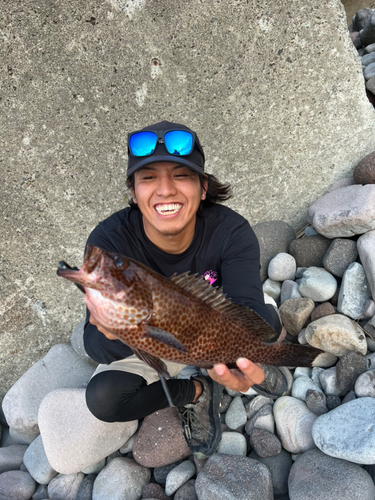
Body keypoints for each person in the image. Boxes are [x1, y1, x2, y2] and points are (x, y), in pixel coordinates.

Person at [83, 120, 288, 459]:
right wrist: (114, 331)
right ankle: (195, 391)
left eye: (181, 175)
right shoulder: (108, 244)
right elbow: (95, 347)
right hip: (152, 339)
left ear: (203, 187)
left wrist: (238, 355)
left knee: (266, 328)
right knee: (104, 398)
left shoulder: (231, 230)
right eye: (148, 177)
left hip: (218, 320)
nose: (165, 189)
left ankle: (242, 367)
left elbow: (246, 306)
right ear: (133, 192)